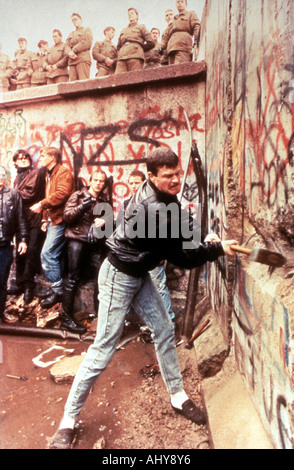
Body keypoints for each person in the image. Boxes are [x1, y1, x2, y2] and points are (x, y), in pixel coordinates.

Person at [50, 147, 238, 449]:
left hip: (140, 273)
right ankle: (67, 421)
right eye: (169, 176)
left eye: (178, 173)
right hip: (118, 277)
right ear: (152, 176)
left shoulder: (157, 191)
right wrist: (217, 248)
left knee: (164, 331)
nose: (176, 179)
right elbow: (184, 258)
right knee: (102, 350)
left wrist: (204, 235)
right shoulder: (153, 211)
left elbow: (179, 215)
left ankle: (177, 396)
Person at [61, 170, 111, 334]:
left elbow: (109, 225)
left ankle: (99, 317)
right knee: (72, 278)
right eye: (95, 180)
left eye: (101, 181)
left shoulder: (103, 200)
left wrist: (105, 221)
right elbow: (67, 217)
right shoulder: (78, 195)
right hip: (76, 240)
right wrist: (83, 206)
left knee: (101, 278)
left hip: (94, 244)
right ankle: (66, 319)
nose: (98, 183)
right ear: (90, 181)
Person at [126, 170, 176, 324]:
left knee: (158, 288)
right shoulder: (129, 203)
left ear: (144, 183)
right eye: (131, 183)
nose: (134, 186)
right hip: (136, 254)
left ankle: (169, 322)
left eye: (137, 183)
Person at [30, 147, 75, 309]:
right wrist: (44, 219)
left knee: (47, 254)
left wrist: (41, 205)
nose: (39, 158)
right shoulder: (49, 174)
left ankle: (59, 292)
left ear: (53, 158)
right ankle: (58, 291)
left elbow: (62, 194)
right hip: (52, 220)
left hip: (61, 220)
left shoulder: (63, 172)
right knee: (55, 255)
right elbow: (50, 197)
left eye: (43, 156)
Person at [7, 150, 46, 304]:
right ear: (15, 162)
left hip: (33, 218)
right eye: (19, 158)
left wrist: (12, 193)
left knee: (31, 252)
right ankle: (20, 284)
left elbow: (30, 194)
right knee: (20, 253)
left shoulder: (35, 173)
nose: (23, 160)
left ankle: (29, 285)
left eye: (26, 158)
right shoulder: (17, 177)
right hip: (20, 220)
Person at [0, 165, 27, 323]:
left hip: (4, 245)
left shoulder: (13, 194)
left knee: (2, 281)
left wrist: (23, 239)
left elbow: (20, 218)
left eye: (2, 175)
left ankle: (0, 314)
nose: (0, 179)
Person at [159, 0, 200, 65]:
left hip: (183, 47)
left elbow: (196, 26)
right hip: (171, 49)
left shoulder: (190, 14)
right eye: (178, 2)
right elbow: (166, 36)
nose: (180, 3)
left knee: (181, 70)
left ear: (186, 4)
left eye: (182, 1)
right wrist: (161, 47)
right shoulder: (174, 19)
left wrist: (196, 40)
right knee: (172, 72)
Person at [115, 8, 155, 74]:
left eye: (132, 13)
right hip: (122, 58)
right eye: (128, 14)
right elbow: (118, 46)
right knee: (118, 80)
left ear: (137, 16)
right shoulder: (123, 30)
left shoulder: (141, 27)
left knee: (134, 78)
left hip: (135, 56)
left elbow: (151, 42)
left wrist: (139, 48)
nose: (130, 15)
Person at [65, 13, 93, 81]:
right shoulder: (71, 34)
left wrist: (74, 50)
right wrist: (69, 53)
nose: (74, 22)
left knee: (83, 83)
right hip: (72, 61)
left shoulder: (86, 30)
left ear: (80, 20)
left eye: (76, 19)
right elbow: (66, 45)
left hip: (82, 59)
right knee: (72, 85)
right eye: (73, 21)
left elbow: (86, 42)